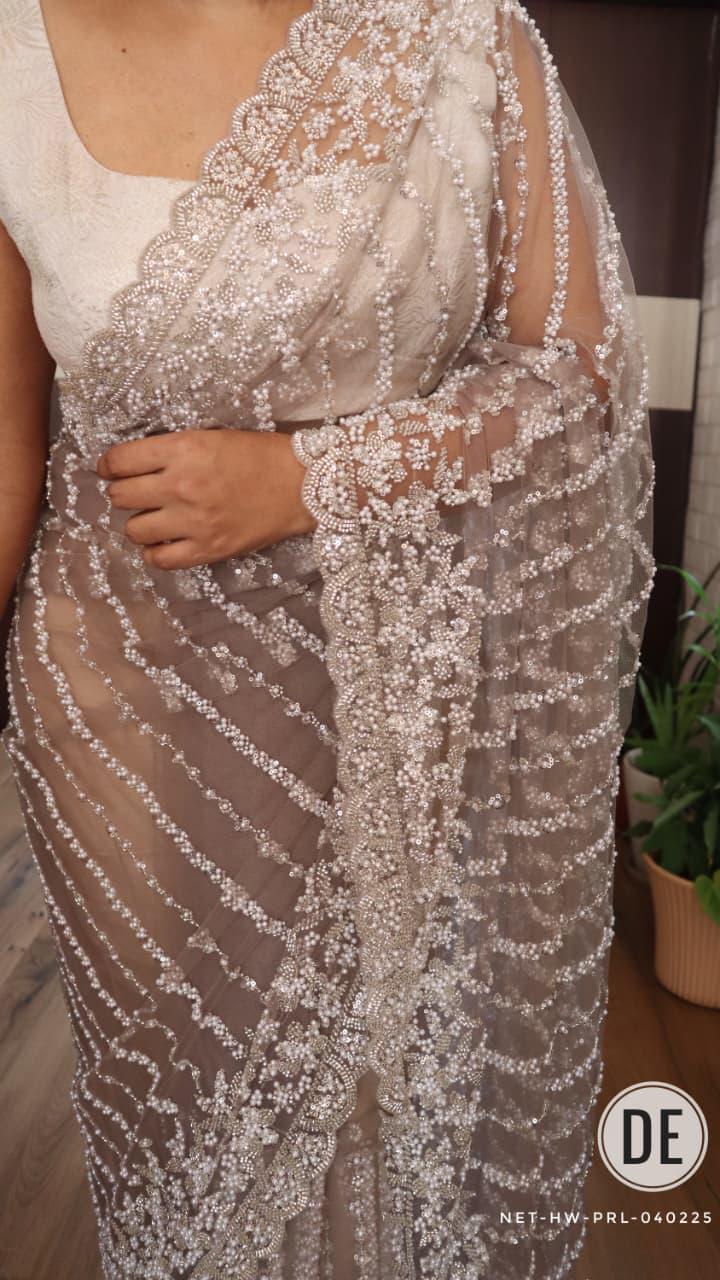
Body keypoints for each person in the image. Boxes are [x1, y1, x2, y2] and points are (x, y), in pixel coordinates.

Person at [0, 0, 655, 1275]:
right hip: (124, 719)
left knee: (398, 1122)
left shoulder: (458, 34)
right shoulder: (13, 46)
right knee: (192, 1151)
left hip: (413, 697)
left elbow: (582, 373)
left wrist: (313, 479)